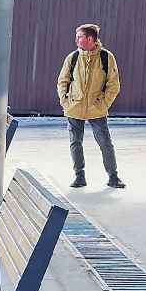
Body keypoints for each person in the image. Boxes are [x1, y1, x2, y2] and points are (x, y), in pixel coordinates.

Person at [55, 22, 124, 188]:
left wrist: (103, 104)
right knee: (75, 143)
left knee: (105, 143)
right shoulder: (72, 58)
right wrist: (66, 103)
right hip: (74, 108)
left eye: (79, 37)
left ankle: (113, 177)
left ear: (90, 39)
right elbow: (62, 82)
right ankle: (79, 177)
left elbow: (113, 85)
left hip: (97, 109)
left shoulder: (107, 58)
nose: (76, 40)